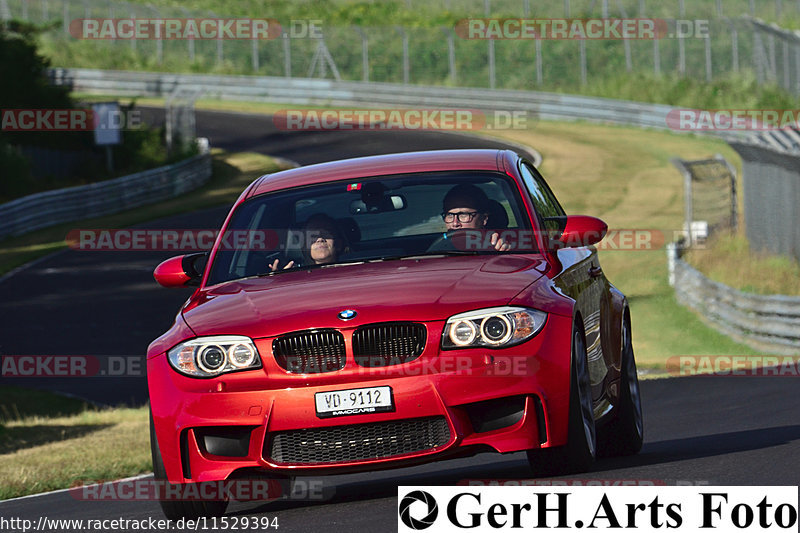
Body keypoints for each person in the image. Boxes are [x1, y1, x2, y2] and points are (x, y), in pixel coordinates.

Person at [438, 184, 510, 251]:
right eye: (450, 215)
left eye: (463, 215)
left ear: (484, 218)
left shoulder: (495, 245)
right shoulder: (435, 250)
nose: (455, 223)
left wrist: (502, 252)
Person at [269, 213, 343, 271]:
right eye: (313, 235)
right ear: (305, 246)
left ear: (339, 244)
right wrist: (279, 280)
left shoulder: (353, 270)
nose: (320, 239)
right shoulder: (296, 277)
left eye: (326, 233)